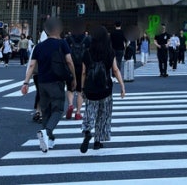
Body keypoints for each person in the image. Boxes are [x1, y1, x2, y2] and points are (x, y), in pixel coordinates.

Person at [21, 18, 76, 152]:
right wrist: (73, 77)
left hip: (42, 82)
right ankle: (47, 131)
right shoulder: (62, 43)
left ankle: (49, 140)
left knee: (45, 111)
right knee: (57, 110)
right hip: (56, 82)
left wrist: (26, 82)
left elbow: (32, 65)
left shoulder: (39, 46)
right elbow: (69, 61)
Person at [80, 27, 126, 153]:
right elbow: (115, 70)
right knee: (103, 115)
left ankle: (87, 131)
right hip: (105, 89)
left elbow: (83, 72)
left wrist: (83, 88)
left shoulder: (87, 52)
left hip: (91, 89)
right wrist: (122, 85)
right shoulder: (109, 51)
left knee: (90, 112)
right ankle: (97, 141)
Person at [66, 21, 88, 121]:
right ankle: (78, 113)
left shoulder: (68, 39)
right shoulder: (87, 39)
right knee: (80, 90)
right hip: (82, 66)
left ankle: (70, 105)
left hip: (71, 66)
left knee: (70, 88)